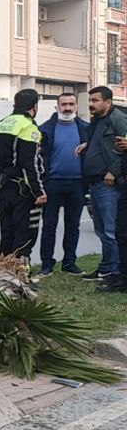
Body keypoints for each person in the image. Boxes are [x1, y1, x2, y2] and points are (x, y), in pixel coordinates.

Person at [0, 89, 46, 260]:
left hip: (5, 187)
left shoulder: (1, 124)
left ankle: (5, 274)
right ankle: (21, 275)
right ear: (34, 106)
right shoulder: (28, 126)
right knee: (25, 234)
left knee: (7, 231)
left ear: (15, 105)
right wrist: (39, 192)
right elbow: (31, 163)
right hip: (24, 190)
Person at [36, 92, 89, 277]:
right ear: (57, 106)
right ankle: (46, 264)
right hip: (53, 184)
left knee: (73, 225)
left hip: (77, 184)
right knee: (49, 225)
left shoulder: (85, 129)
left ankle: (69, 262)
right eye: (64, 104)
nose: (67, 107)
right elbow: (39, 158)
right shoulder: (45, 130)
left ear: (76, 106)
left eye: (71, 104)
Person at [84, 88, 127, 289]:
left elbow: (123, 150)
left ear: (108, 102)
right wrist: (87, 145)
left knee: (112, 230)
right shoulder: (96, 121)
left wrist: (113, 171)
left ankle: (117, 272)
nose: (91, 104)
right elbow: (102, 144)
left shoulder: (118, 119)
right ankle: (107, 266)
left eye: (95, 100)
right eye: (90, 100)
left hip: (108, 183)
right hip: (94, 182)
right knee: (101, 230)